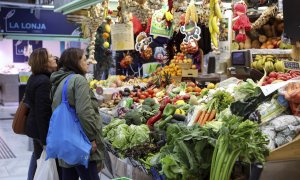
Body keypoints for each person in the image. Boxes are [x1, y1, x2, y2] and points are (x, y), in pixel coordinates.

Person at [50, 48, 105, 180]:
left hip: (65, 141)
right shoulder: (78, 80)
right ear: (76, 62)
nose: (87, 63)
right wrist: (91, 138)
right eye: (85, 60)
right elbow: (84, 112)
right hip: (80, 142)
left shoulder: (59, 82)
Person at [24, 48, 58, 180]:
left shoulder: (35, 77)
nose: (54, 58)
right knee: (41, 159)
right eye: (50, 57)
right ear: (44, 62)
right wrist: (46, 140)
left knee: (37, 157)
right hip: (40, 131)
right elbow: (42, 113)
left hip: (35, 128)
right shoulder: (44, 82)